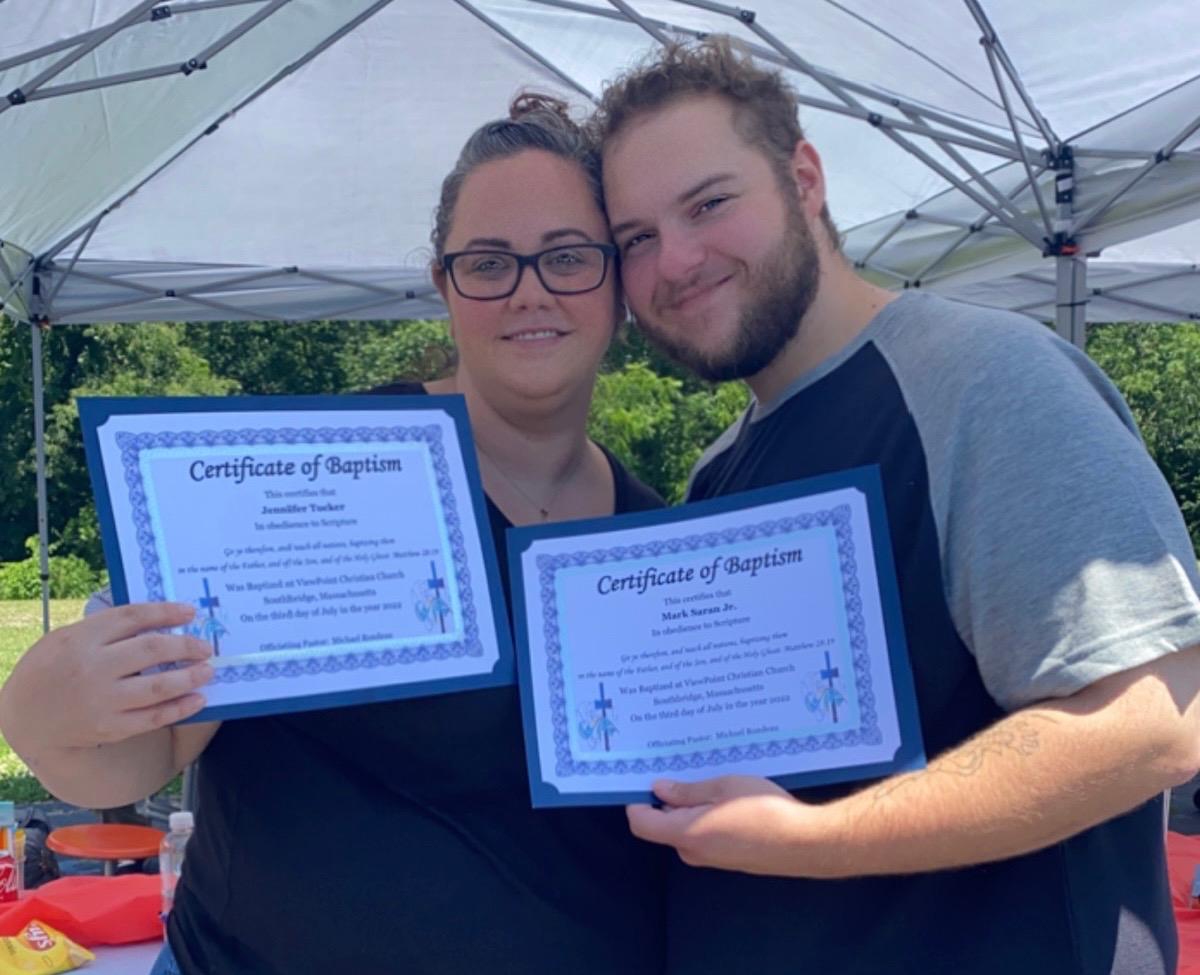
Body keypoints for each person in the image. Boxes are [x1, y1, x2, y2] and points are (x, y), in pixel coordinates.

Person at [0, 95, 667, 975]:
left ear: (618, 280)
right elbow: (141, 753)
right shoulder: (313, 471)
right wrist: (42, 712)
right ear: (444, 285)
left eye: (568, 256)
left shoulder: (657, 537)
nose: (529, 290)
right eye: (489, 262)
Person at [589, 37, 1200, 974]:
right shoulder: (719, 471)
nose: (675, 260)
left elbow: (1157, 718)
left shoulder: (986, 381)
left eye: (709, 203)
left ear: (804, 180)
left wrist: (813, 838)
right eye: (636, 238)